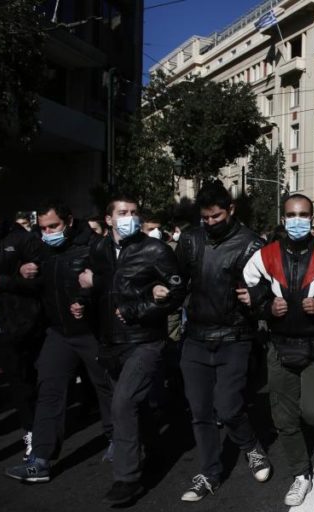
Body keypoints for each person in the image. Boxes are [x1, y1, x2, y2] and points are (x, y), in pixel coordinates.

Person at [243, 194, 314, 507]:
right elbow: (249, 293)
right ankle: (300, 475)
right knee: (284, 418)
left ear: (313, 217)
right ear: (283, 217)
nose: (297, 220)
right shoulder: (266, 254)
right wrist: (266, 307)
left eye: (303, 214)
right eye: (291, 214)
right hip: (279, 345)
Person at [79, 195, 186, 505]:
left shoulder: (155, 249)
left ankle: (127, 479)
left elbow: (177, 291)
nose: (130, 218)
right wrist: (83, 297)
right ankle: (154, 451)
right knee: (136, 405)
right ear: (109, 219)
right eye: (123, 213)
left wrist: (142, 309)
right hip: (110, 342)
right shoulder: (98, 249)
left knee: (123, 404)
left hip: (144, 341)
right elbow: (99, 287)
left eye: (135, 213)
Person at [173, 183, 271, 501]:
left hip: (235, 337)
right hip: (196, 337)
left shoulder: (252, 244)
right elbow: (176, 279)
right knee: (200, 411)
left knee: (229, 407)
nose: (211, 223)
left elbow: (269, 291)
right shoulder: (190, 238)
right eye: (205, 218)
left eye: (216, 216)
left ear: (230, 210)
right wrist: (165, 292)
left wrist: (254, 297)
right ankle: (209, 473)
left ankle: (251, 446)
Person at [4, 202, 114, 483]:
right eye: (43, 228)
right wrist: (20, 273)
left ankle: (121, 442)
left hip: (92, 332)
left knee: (108, 388)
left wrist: (87, 296)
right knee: (50, 389)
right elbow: (35, 285)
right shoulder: (42, 250)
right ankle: (39, 460)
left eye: (53, 226)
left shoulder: (94, 246)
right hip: (59, 333)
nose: (48, 233)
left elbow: (111, 283)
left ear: (68, 220)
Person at [0, 219, 45, 461]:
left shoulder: (20, 238)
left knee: (21, 387)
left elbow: (41, 281)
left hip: (10, 327)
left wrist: (4, 281)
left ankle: (34, 439)